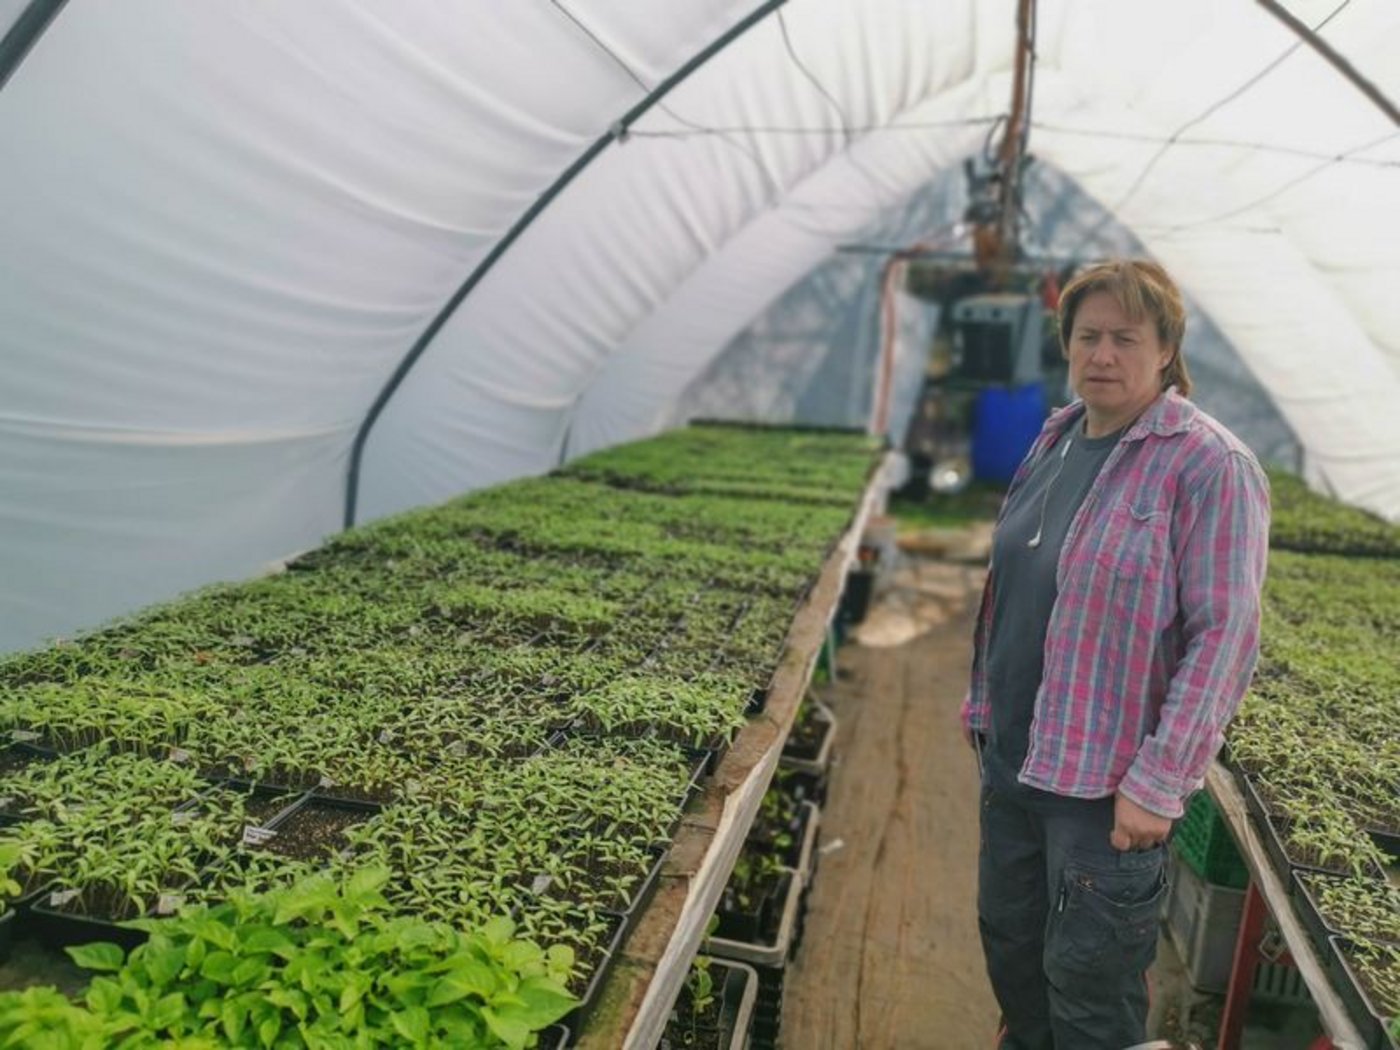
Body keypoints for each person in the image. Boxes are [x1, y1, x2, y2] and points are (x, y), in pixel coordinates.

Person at [960, 259, 1271, 1049]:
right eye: (1087, 336)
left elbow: (1225, 637)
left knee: (1090, 995)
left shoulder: (1209, 464)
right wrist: (983, 711)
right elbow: (1015, 585)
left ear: (1166, 350)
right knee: (1014, 959)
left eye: (1125, 338)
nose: (1102, 354)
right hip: (1014, 765)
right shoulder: (1058, 436)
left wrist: (1161, 785)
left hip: (1104, 794)